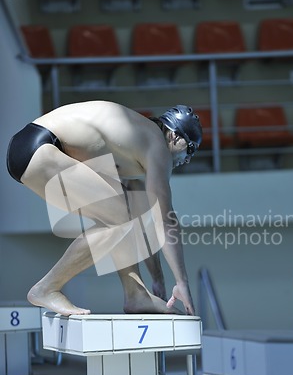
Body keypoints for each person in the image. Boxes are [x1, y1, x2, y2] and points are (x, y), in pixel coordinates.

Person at [6, 101, 202, 316]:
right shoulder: (157, 146)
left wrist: (157, 279)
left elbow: (144, 221)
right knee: (119, 218)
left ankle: (136, 295)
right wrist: (182, 282)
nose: (189, 159)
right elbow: (165, 220)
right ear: (174, 135)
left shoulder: (136, 145)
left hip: (32, 146)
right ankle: (47, 288)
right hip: (40, 147)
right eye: (190, 148)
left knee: (122, 213)